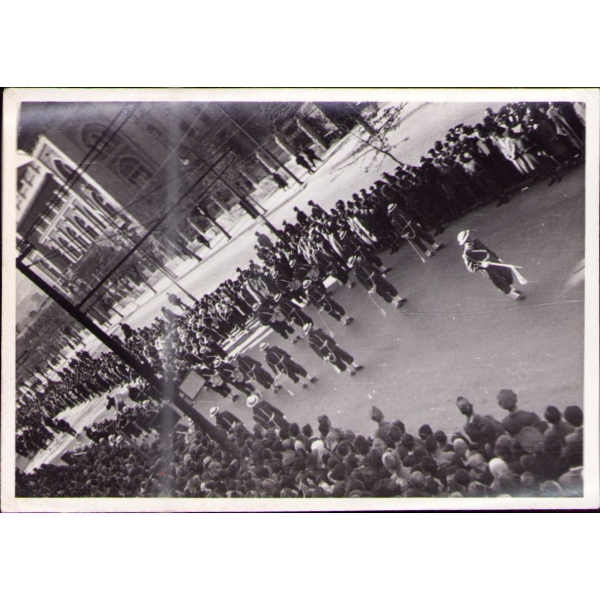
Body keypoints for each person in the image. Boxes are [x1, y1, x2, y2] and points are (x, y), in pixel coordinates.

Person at [457, 230, 526, 300]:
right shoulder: (466, 254)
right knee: (498, 280)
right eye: (466, 240)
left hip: (492, 259)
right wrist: (482, 265)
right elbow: (471, 268)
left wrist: (497, 258)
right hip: (487, 268)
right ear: (464, 242)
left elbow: (488, 250)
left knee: (506, 271)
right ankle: (512, 293)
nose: (469, 239)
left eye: (468, 237)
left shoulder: (476, 241)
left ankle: (510, 287)